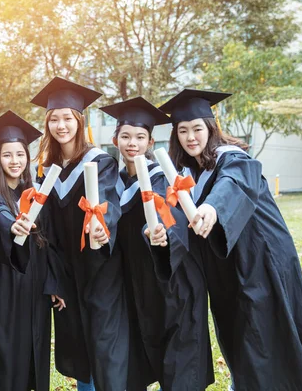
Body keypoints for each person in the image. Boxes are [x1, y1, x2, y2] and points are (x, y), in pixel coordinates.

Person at [160, 89, 302, 391]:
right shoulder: (188, 174)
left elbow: (232, 184)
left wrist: (212, 208)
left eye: (197, 128)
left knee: (263, 335)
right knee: (238, 334)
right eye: (182, 130)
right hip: (226, 267)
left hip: (261, 263)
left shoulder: (235, 159)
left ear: (211, 128)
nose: (190, 137)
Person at [102, 97, 214, 391]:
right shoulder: (110, 184)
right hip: (138, 290)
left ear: (151, 141)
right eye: (125, 136)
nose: (132, 144)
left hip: (175, 288)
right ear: (115, 139)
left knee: (179, 373)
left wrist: (162, 236)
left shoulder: (164, 178)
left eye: (140, 137)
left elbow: (174, 218)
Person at [31, 77, 127, 391]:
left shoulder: (100, 163)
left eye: (67, 118)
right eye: (54, 119)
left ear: (79, 120)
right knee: (77, 342)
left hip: (99, 269)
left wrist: (101, 223)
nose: (61, 125)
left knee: (103, 341)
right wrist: (54, 279)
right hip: (66, 272)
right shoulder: (45, 171)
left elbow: (108, 200)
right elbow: (45, 230)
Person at [0, 110, 65, 390]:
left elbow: (50, 244)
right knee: (4, 355)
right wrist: (12, 225)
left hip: (34, 290)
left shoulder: (37, 195)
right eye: (8, 155)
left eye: (21, 154)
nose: (15, 161)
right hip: (3, 289)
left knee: (31, 353)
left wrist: (54, 283)